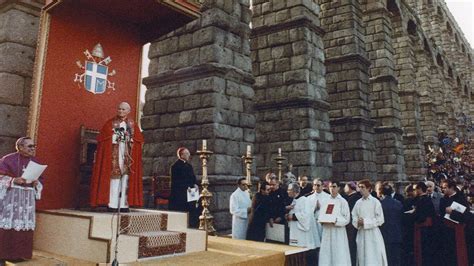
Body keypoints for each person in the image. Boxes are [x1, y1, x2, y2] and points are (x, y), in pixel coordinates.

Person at [90, 102, 144, 211]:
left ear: (129, 111)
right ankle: (112, 204)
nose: (121, 111)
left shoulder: (133, 124)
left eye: (124, 109)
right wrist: (115, 137)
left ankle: (124, 205)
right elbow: (103, 140)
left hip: (127, 155)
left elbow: (139, 141)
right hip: (114, 155)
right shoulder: (110, 123)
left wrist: (130, 139)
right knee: (114, 179)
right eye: (119, 109)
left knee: (126, 179)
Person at [0, 137, 44, 262]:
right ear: (20, 147)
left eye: (34, 146)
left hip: (27, 199)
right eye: (30, 146)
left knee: (23, 225)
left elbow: (41, 179)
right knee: (8, 224)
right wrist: (14, 180)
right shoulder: (7, 159)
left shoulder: (35, 161)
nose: (33, 148)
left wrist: (37, 183)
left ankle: (19, 254)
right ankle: (3, 254)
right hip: (11, 197)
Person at [352, 179, 387, 266]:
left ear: (368, 188)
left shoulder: (375, 202)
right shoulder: (358, 203)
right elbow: (354, 216)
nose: (360, 189)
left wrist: (366, 222)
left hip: (373, 234)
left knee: (373, 256)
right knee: (362, 256)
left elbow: (380, 219)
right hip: (361, 233)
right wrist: (357, 222)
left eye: (362, 187)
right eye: (359, 187)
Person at [285, 183, 320, 266]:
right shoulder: (294, 200)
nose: (287, 192)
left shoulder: (304, 200)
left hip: (303, 234)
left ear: (294, 191)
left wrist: (292, 216)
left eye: (289, 190)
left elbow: (306, 215)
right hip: (295, 232)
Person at [318, 181, 351, 266]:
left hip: (338, 231)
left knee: (338, 253)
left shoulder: (343, 201)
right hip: (327, 230)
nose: (332, 189)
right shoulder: (325, 200)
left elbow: (347, 219)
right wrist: (322, 220)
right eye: (330, 187)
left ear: (338, 188)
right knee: (326, 253)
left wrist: (336, 221)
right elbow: (321, 214)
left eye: (334, 186)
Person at [439, 179, 470, 266]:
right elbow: (441, 214)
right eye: (442, 188)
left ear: (451, 187)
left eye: (445, 188)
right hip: (445, 231)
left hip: (457, 230)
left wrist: (452, 212)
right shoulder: (443, 199)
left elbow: (466, 215)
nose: (443, 190)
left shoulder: (461, 198)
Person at [168, 147, 200, 228]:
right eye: (187, 153)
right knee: (184, 207)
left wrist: (195, 184)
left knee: (195, 207)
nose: (189, 155)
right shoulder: (175, 166)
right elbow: (176, 181)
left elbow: (193, 178)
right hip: (180, 192)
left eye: (188, 153)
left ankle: (193, 224)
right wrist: (186, 187)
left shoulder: (189, 166)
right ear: (182, 155)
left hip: (191, 191)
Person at [411, 182, 437, 266]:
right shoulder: (426, 199)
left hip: (423, 228)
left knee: (423, 249)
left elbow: (421, 215)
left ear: (420, 189)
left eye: (416, 189)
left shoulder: (422, 200)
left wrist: (414, 213)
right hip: (427, 228)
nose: (415, 191)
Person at [379, 183, 403, 266]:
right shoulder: (398, 203)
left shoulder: (380, 204)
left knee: (387, 258)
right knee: (396, 258)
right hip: (396, 233)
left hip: (384, 233)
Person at [344, 181, 361, 266]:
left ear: (350, 188)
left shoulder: (351, 199)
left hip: (351, 227)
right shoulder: (358, 197)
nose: (344, 188)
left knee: (352, 246)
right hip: (356, 225)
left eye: (346, 186)